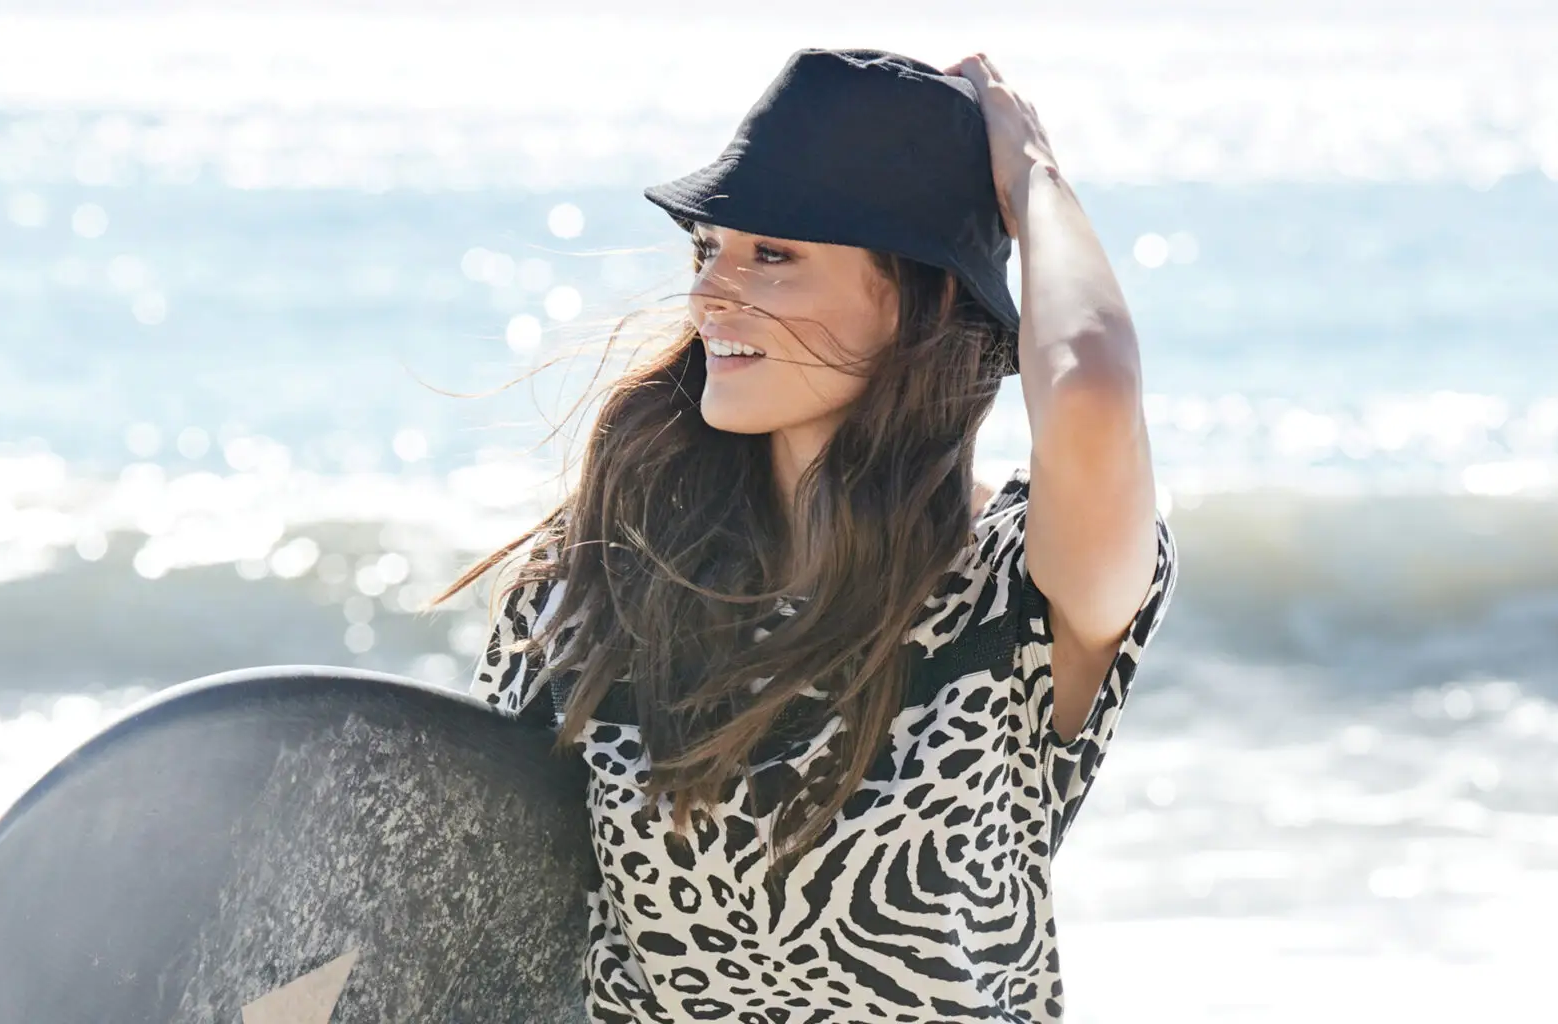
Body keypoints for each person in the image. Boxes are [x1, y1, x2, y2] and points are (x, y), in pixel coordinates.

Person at [434, 48, 1180, 1024]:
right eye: (709, 249)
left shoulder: (1013, 600)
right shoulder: (594, 586)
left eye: (772, 256)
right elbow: (459, 929)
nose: (710, 295)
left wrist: (1032, 173)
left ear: (925, 297)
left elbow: (1089, 386)